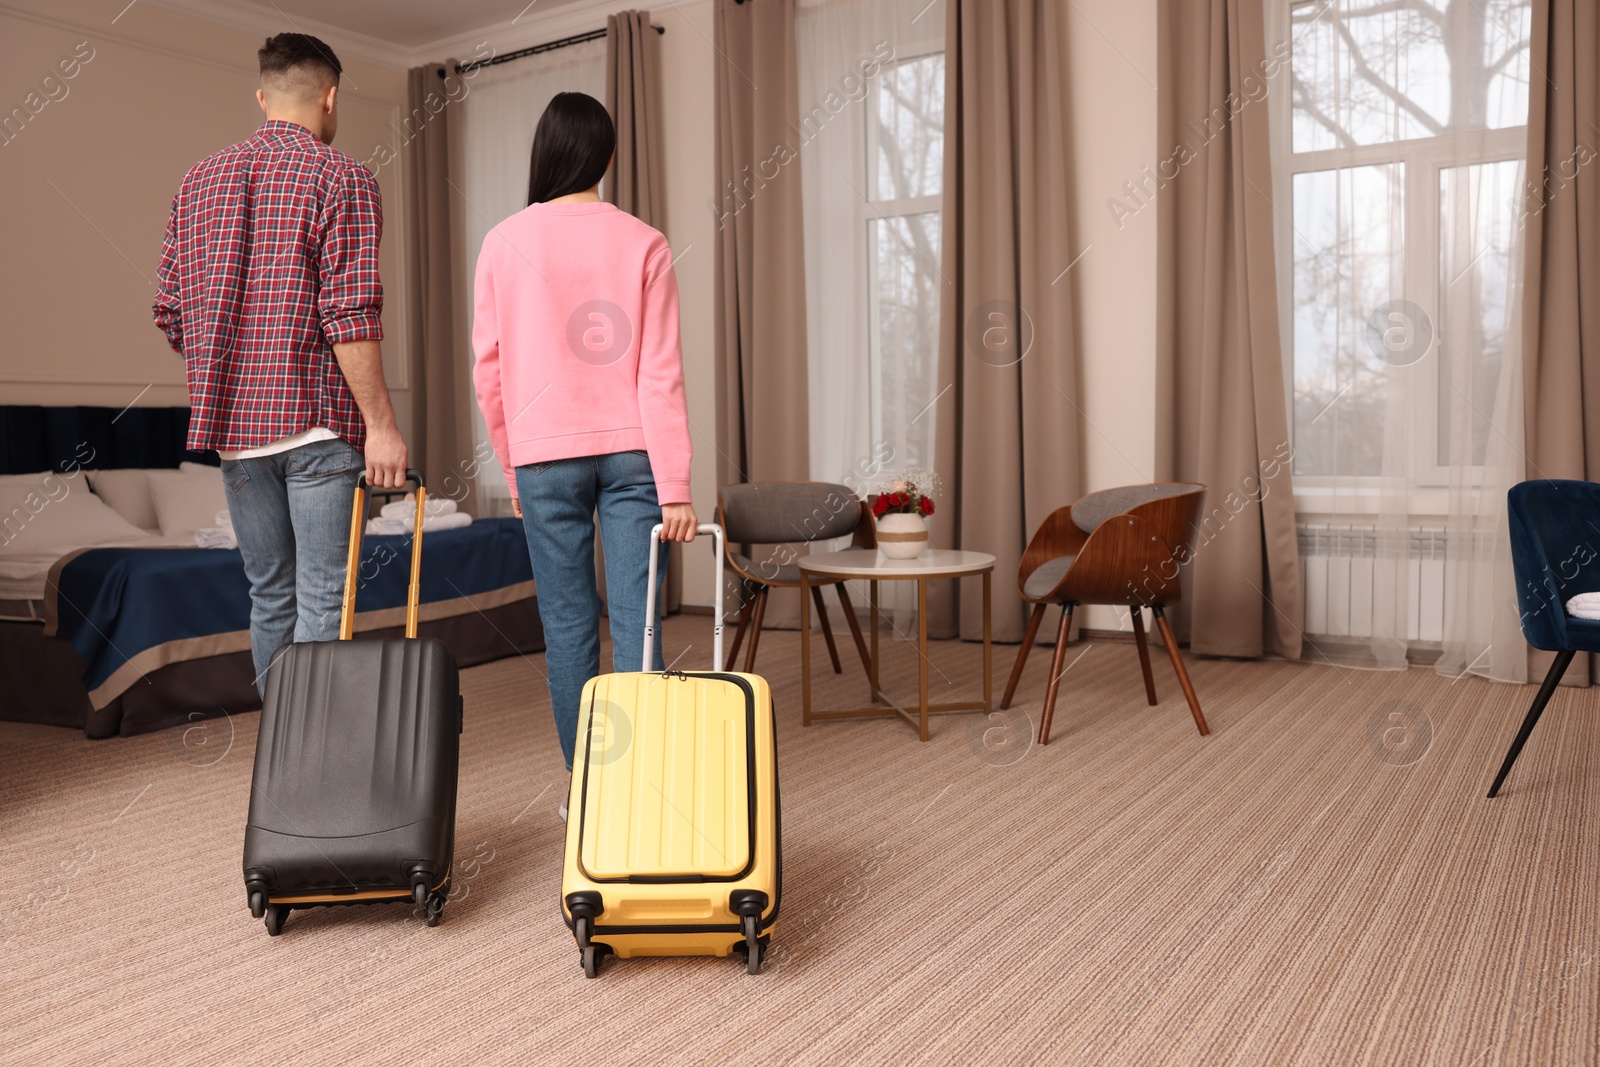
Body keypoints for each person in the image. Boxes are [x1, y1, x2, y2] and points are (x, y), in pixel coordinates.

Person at [153, 33, 409, 690]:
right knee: (323, 597)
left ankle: (281, 760)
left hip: (238, 434)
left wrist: (234, 364)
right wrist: (380, 424)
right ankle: (312, 765)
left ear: (263, 96)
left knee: (269, 594)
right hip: (319, 425)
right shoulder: (342, 176)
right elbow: (349, 314)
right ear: (330, 98)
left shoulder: (197, 181)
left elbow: (172, 311)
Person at [472, 92, 696, 797]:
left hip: (543, 455)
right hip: (634, 455)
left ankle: (590, 789)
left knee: (568, 627)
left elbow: (490, 371)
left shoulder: (503, 241)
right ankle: (644, 786)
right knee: (638, 624)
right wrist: (678, 484)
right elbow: (660, 371)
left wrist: (513, 466)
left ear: (545, 154)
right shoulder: (644, 241)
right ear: (606, 157)